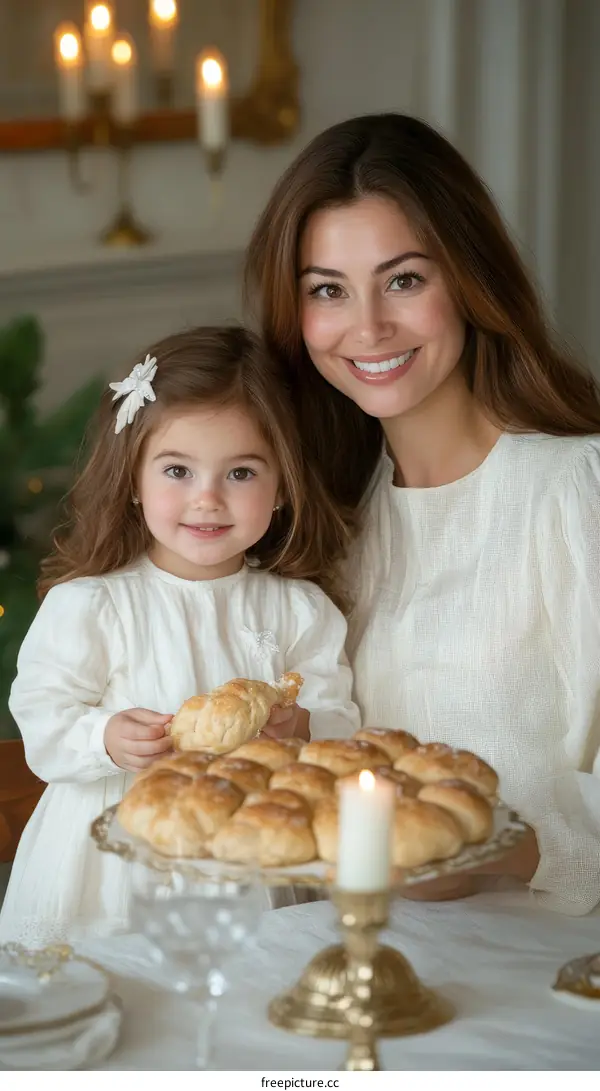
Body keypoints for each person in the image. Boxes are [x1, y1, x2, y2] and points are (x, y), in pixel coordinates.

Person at [244, 113, 600, 916]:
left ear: (470, 279)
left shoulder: (577, 491)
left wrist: (493, 852)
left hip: (544, 986)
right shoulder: (325, 519)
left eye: (404, 279)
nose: (367, 327)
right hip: (356, 970)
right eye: (327, 290)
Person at [0, 326, 359, 945]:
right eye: (177, 470)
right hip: (114, 860)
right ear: (134, 482)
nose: (208, 499)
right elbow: (42, 718)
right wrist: (105, 737)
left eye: (241, 472)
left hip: (250, 857)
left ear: (282, 488)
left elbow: (340, 719)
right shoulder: (93, 604)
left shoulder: (299, 611)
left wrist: (302, 728)